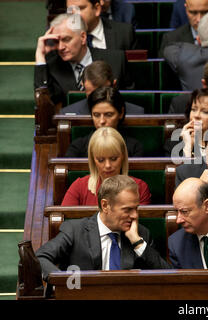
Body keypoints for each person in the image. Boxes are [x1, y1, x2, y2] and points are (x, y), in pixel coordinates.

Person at [37, 175, 171, 280]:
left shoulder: (141, 234)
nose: (134, 215)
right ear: (105, 205)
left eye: (136, 208)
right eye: (127, 210)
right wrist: (63, 283)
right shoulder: (75, 230)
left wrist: (137, 243)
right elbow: (41, 257)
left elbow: (167, 276)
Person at [34, 13, 130, 106]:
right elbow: (44, 104)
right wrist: (40, 56)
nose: (60, 47)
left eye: (66, 39)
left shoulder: (116, 59)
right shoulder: (53, 67)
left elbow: (131, 101)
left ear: (83, 37)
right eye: (56, 41)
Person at [62, 126, 150, 205]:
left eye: (113, 159)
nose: (108, 165)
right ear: (93, 160)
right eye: (101, 160)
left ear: (123, 156)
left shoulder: (139, 188)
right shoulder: (79, 186)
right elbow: (66, 221)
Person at [65, 86, 144, 157]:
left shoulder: (134, 148)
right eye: (96, 115)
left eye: (109, 115)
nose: (102, 121)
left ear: (121, 113)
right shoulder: (77, 147)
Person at [164, 88, 208, 157]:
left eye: (205, 112)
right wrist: (188, 147)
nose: (196, 115)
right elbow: (179, 167)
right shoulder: (174, 144)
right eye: (194, 109)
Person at [60, 60, 144, 115]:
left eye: (102, 94)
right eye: (92, 94)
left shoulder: (136, 113)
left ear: (114, 85)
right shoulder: (67, 114)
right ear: (83, 85)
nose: (97, 99)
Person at [67, 0, 137, 50]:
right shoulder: (62, 39)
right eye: (70, 9)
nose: (74, 14)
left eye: (81, 8)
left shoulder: (124, 33)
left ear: (97, 9)